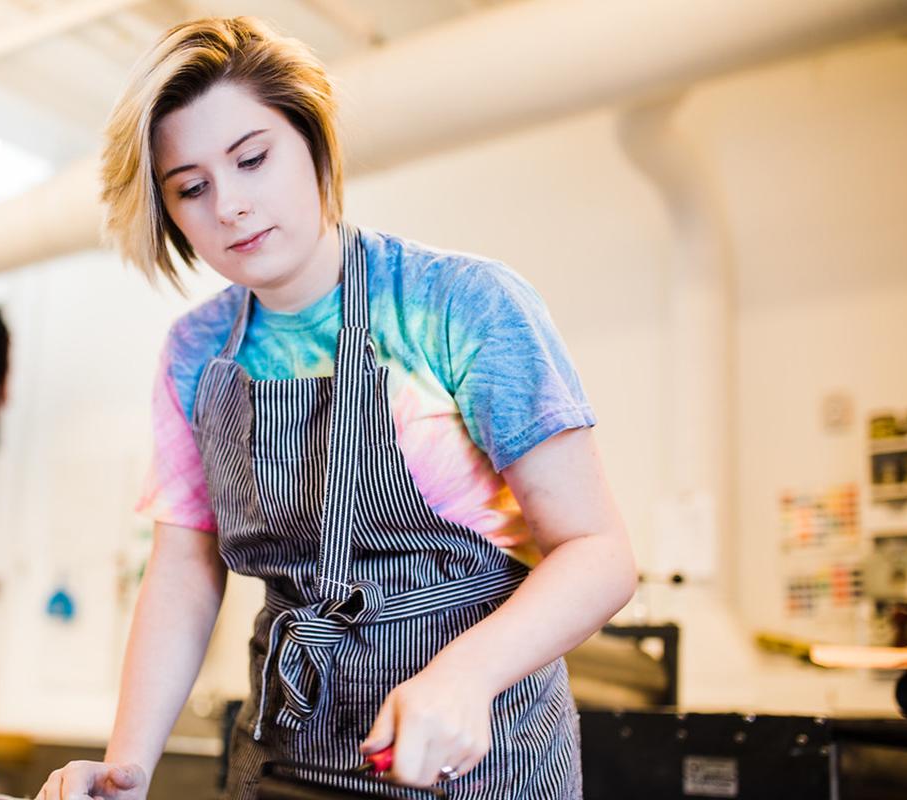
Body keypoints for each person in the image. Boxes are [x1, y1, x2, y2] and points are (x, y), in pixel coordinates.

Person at [36, 15, 635, 800]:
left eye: (253, 159)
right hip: (287, 756)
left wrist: (465, 675)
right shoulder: (196, 352)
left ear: (314, 143)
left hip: (480, 754)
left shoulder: (457, 305)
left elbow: (598, 552)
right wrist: (125, 769)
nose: (232, 207)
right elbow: (184, 572)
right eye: (192, 188)